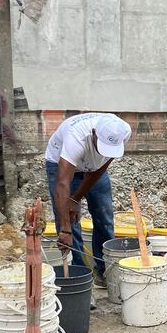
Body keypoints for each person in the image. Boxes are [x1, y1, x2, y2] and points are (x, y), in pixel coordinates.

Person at [45, 112, 132, 288]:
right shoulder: (75, 137)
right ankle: (82, 280)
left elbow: (101, 167)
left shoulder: (123, 131)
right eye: (101, 146)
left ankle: (104, 271)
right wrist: (66, 230)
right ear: (94, 134)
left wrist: (76, 198)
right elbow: (62, 183)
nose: (103, 151)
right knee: (68, 223)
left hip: (94, 169)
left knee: (104, 217)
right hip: (61, 164)